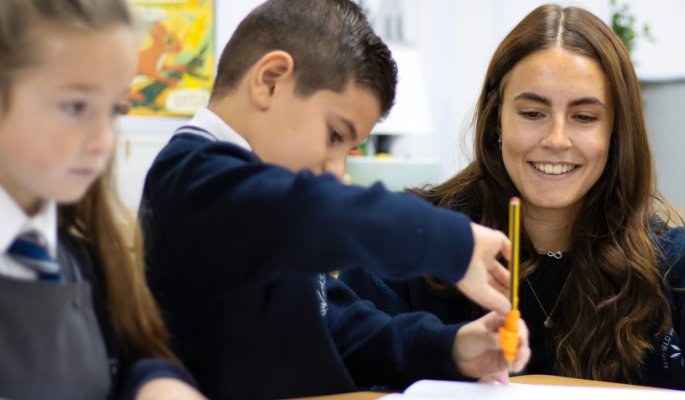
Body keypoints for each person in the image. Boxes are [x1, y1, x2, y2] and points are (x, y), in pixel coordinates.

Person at [340, 5, 685, 400]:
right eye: (532, 113)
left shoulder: (665, 259)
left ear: (616, 133)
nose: (556, 139)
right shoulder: (417, 239)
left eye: (584, 117)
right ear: (496, 119)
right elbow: (339, 342)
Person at [139, 1, 529, 399]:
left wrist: (453, 348)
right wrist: (451, 242)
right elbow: (313, 209)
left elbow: (336, 327)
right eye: (334, 135)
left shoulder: (273, 211)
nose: (336, 171)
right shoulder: (193, 176)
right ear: (270, 81)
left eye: (349, 150)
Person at [0, 0, 204, 399]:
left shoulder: (82, 255)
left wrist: (155, 382)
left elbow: (128, 356)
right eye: (75, 106)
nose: (104, 141)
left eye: (114, 109)